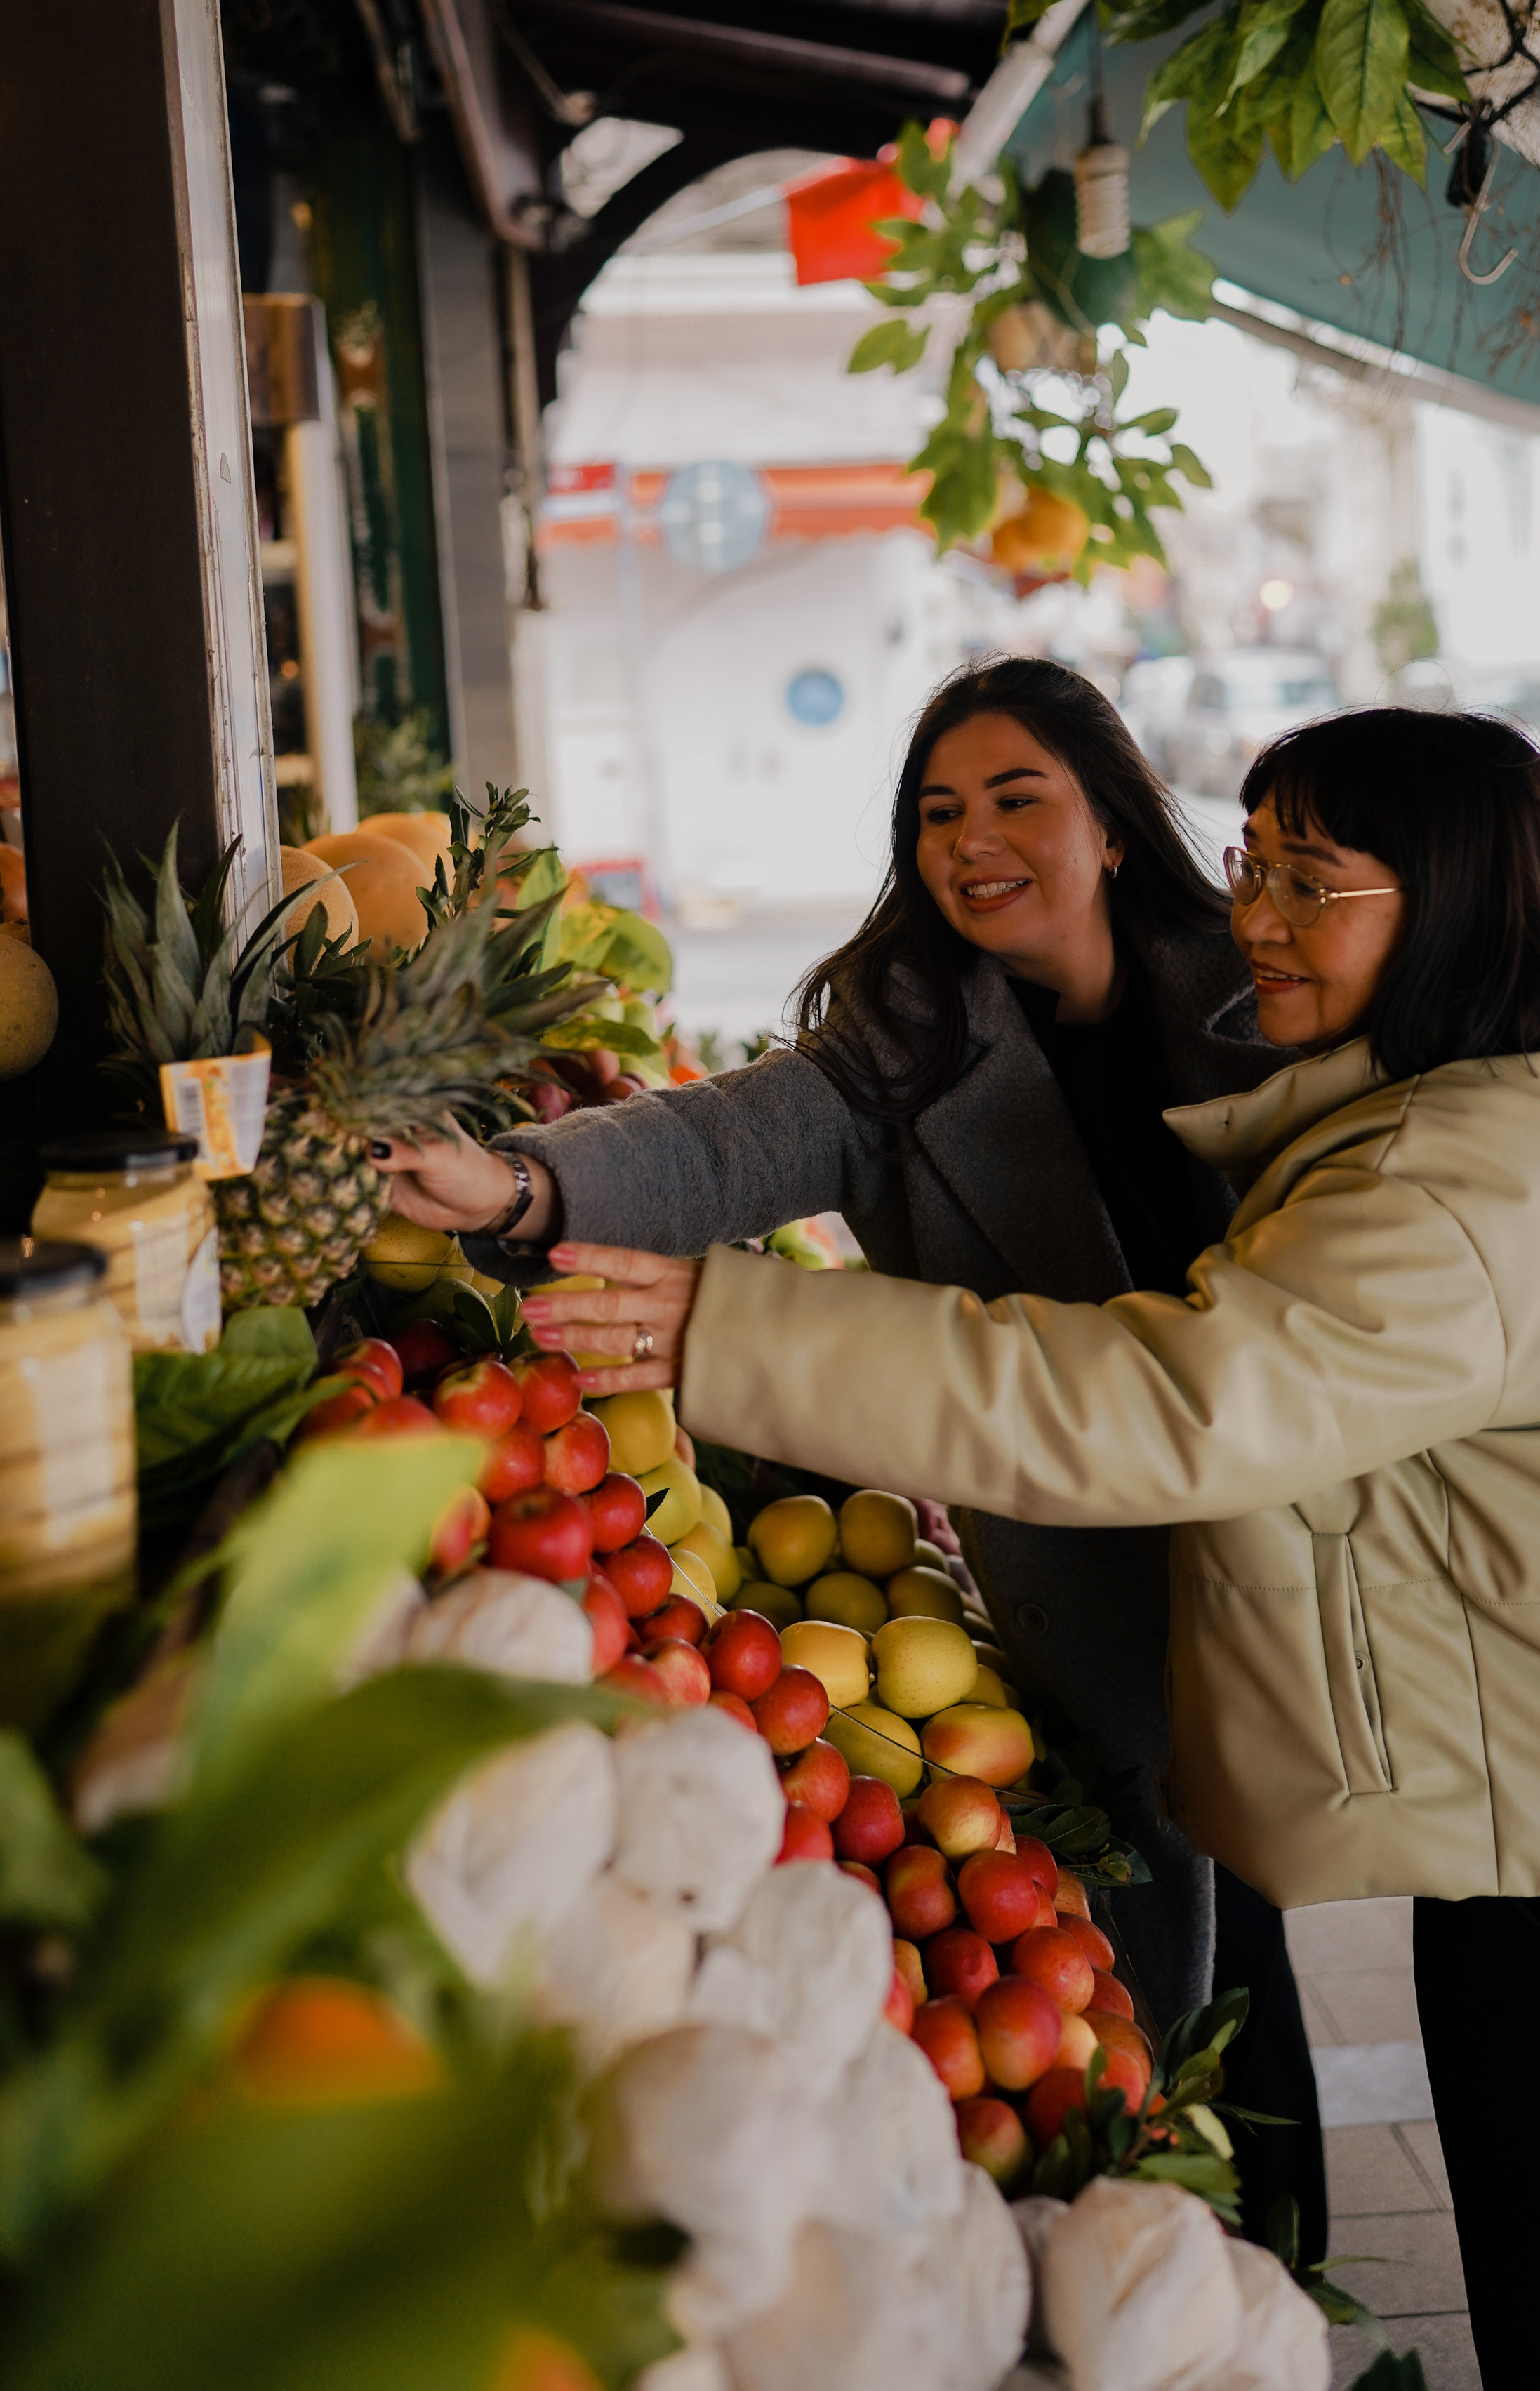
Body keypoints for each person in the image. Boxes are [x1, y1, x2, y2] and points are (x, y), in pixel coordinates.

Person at [526, 707, 1540, 2391]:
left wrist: (728, 1331)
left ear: (1456, 899)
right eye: (1251, 863)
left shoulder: (1465, 1174)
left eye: (1307, 880)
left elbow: (1171, 1399)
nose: (1255, 914)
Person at [372, 656, 1329, 2254]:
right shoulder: (906, 1046)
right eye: (938, 812)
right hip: (1087, 1578)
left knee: (1271, 1922)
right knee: (1158, 1948)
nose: (973, 838)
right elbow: (724, 1135)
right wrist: (522, 1189)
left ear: (1108, 818)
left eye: (1016, 796)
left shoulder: (1256, 1006)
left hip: (1281, 1557)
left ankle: (1285, 2261)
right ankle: (1189, 2254)